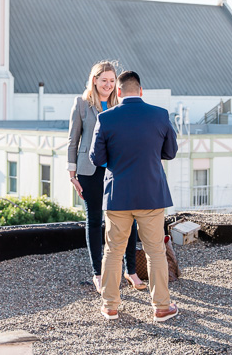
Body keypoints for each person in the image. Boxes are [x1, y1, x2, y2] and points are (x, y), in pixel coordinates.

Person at [90, 70, 179, 323]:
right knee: (155, 251)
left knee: (113, 251)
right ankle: (161, 307)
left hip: (118, 195)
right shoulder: (160, 115)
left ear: (118, 92)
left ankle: (110, 306)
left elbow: (96, 158)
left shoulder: (106, 118)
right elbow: (170, 152)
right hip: (151, 195)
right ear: (140, 91)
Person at [68, 61, 144, 294]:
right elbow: (73, 140)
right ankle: (98, 274)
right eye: (104, 80)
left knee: (128, 219)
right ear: (94, 80)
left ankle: (130, 270)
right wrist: (72, 173)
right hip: (88, 171)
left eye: (112, 81)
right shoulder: (82, 104)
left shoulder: (119, 105)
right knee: (94, 220)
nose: (108, 85)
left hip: (116, 170)